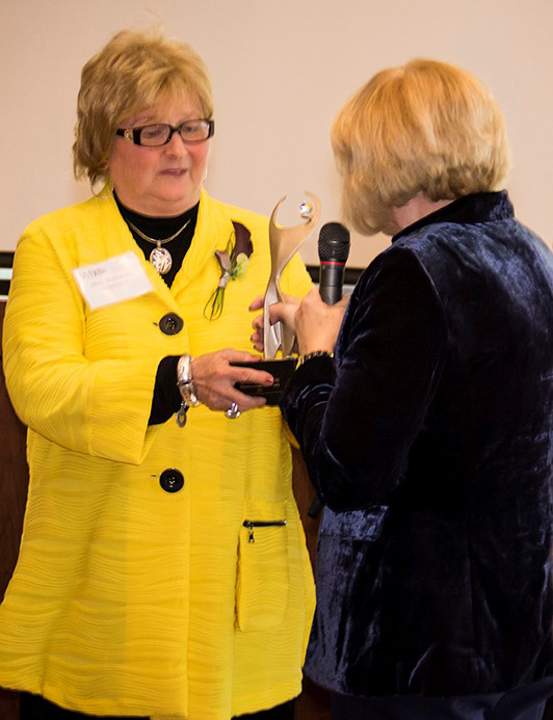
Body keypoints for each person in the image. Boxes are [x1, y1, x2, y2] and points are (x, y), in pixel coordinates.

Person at [0, 28, 315, 720]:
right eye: (151, 131)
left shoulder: (262, 247)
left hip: (230, 603)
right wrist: (176, 379)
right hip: (100, 594)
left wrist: (316, 362)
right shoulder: (55, 245)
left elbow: (313, 409)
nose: (180, 149)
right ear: (101, 140)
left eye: (193, 126)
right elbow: (39, 385)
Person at [258, 59, 553, 719]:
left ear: (383, 162)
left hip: (417, 652)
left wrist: (312, 358)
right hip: (517, 645)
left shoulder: (409, 271)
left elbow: (346, 470)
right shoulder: (529, 252)